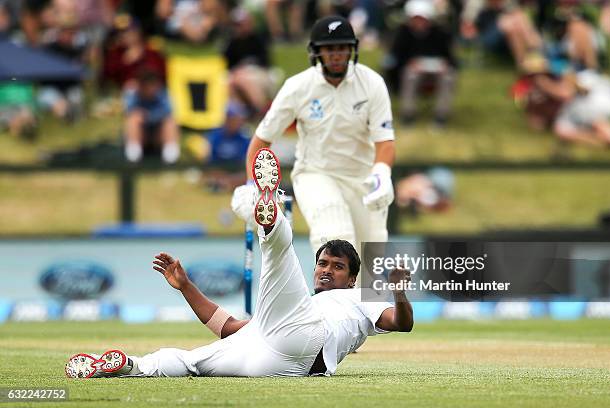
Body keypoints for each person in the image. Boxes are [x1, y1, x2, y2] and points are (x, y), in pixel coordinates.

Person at [65, 148, 413, 379]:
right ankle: (128, 366)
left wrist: (398, 292)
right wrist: (186, 287)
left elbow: (401, 323)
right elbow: (227, 326)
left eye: (337, 267)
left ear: (353, 279)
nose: (326, 269)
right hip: (272, 361)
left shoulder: (359, 297)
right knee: (191, 362)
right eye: (323, 263)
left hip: (309, 341)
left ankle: (270, 214)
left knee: (279, 253)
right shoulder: (297, 304)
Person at [243, 15, 396, 258]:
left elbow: (385, 141)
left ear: (352, 50)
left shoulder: (372, 83)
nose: (336, 55)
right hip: (316, 174)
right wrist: (254, 186)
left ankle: (360, 296)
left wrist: (381, 173)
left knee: (371, 268)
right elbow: (262, 140)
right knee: (336, 235)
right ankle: (330, 296)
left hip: (362, 178)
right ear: (316, 52)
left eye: (342, 48)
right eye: (329, 49)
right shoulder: (298, 87)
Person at [387, 0, 457, 126]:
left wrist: (445, 65)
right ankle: (408, 114)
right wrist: (410, 64)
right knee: (410, 75)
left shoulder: (440, 34)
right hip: (411, 73)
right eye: (416, 18)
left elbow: (451, 59)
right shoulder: (402, 34)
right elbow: (395, 59)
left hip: (436, 74)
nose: (419, 22)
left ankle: (441, 116)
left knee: (448, 76)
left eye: (422, 18)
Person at [123, 69, 180, 163]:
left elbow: (169, 112)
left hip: (158, 134)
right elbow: (128, 111)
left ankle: (171, 159)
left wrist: (148, 116)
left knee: (170, 122)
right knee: (133, 119)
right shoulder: (133, 94)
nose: (149, 89)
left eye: (152, 85)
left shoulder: (164, 94)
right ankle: (133, 157)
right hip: (142, 134)